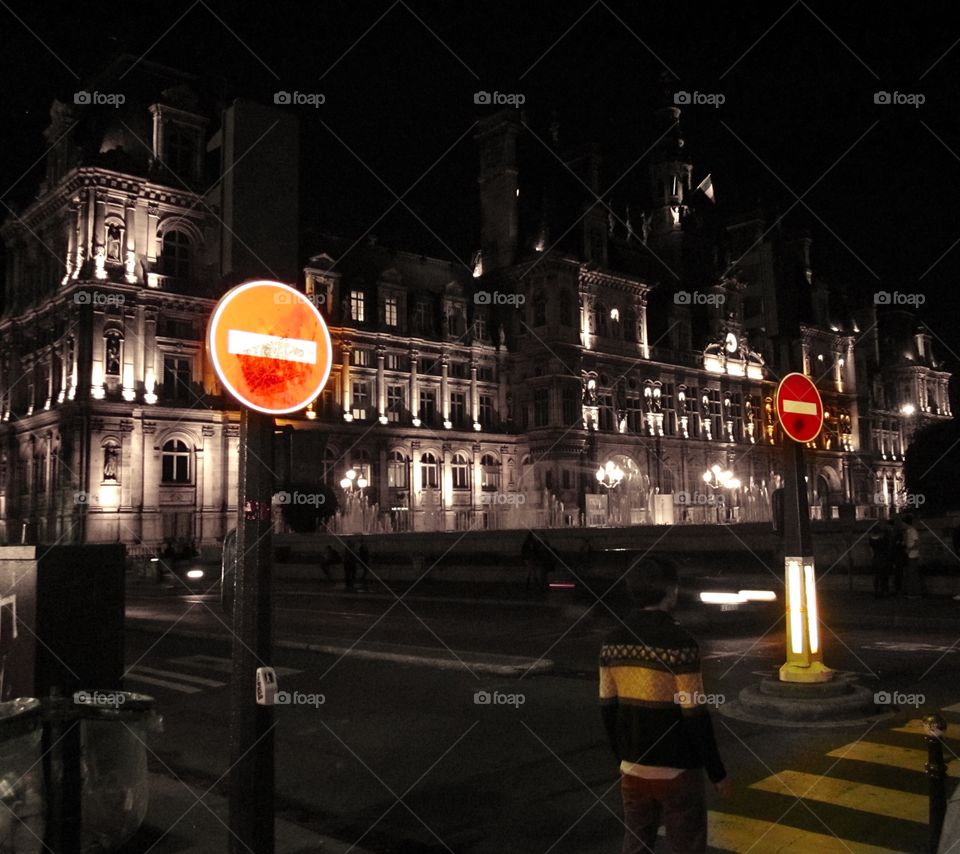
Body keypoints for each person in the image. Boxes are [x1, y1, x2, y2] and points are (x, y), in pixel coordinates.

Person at [600, 556, 730, 853]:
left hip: (633, 766)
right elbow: (694, 714)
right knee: (686, 842)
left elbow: (607, 707)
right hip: (677, 768)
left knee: (636, 843)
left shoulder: (611, 641)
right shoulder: (680, 643)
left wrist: (624, 757)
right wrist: (717, 772)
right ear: (670, 592)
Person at [902, 514, 924, 598]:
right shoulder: (909, 531)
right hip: (911, 554)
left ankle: (915, 592)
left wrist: (909, 549)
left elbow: (917, 542)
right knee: (911, 573)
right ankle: (913, 592)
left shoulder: (912, 530)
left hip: (913, 555)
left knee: (912, 574)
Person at [869, 526, 891, 598]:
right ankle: (883, 591)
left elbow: (871, 550)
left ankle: (877, 591)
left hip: (876, 558)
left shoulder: (871, 540)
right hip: (883, 559)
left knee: (877, 576)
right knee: (884, 576)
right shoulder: (883, 540)